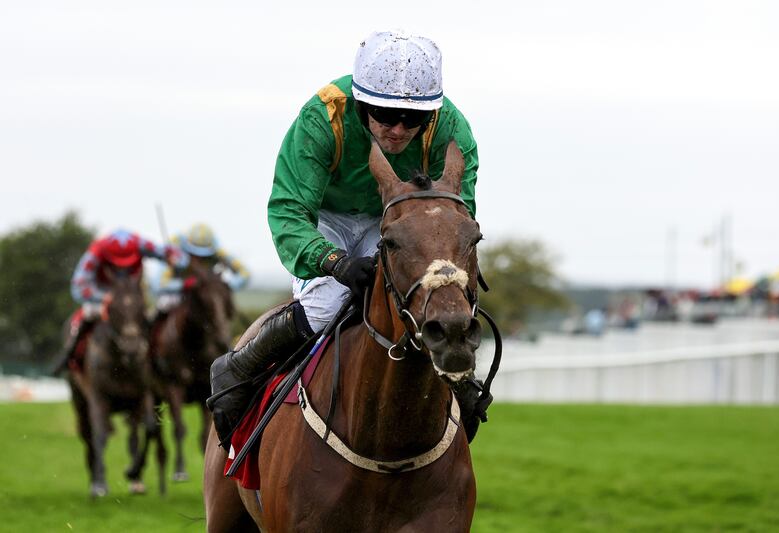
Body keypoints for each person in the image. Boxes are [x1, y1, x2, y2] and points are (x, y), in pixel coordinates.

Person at [209, 30, 489, 443]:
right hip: (328, 216)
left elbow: (457, 218)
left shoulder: (451, 127)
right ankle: (240, 367)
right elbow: (289, 211)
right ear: (359, 103)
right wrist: (335, 262)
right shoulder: (322, 118)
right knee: (325, 304)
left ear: (431, 112)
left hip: (398, 219)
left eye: (413, 119)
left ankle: (457, 373)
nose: (397, 129)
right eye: (383, 114)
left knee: (430, 303)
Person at [55, 229, 188, 374]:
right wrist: (103, 297)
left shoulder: (141, 243)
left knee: (155, 315)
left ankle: (158, 357)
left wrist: (176, 261)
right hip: (104, 298)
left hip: (136, 298)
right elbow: (78, 287)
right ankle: (71, 355)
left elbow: (175, 255)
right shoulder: (97, 249)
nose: (122, 267)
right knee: (87, 313)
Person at [149, 223, 249, 371]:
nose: (200, 259)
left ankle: (229, 348)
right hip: (179, 294)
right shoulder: (175, 248)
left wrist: (224, 284)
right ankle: (151, 349)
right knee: (163, 305)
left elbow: (244, 274)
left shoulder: (219, 251)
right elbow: (158, 284)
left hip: (207, 293)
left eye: (205, 256)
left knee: (219, 306)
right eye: (195, 254)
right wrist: (183, 284)